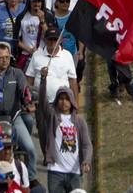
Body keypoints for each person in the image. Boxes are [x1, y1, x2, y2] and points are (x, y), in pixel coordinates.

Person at [37, 65, 92, 193]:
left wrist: (86, 160)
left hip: (75, 172)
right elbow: (43, 101)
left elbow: (86, 144)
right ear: (57, 101)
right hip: (55, 171)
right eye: (61, 99)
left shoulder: (79, 121)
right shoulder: (52, 116)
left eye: (67, 99)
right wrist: (43, 80)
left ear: (72, 101)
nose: (64, 102)